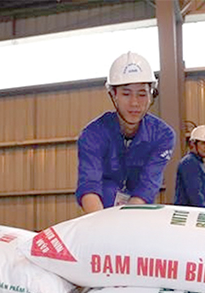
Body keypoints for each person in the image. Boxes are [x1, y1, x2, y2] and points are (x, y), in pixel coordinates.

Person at [75, 52, 176, 213]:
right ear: (113, 95)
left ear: (151, 95)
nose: (134, 103)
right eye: (126, 94)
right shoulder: (92, 135)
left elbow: (148, 185)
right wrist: (101, 224)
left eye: (142, 94)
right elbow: (89, 185)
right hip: (100, 212)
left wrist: (125, 221)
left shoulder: (163, 136)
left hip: (138, 214)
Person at [174, 125, 205, 207]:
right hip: (191, 215)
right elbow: (195, 194)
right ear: (192, 144)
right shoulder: (190, 162)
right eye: (203, 143)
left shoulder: (198, 163)